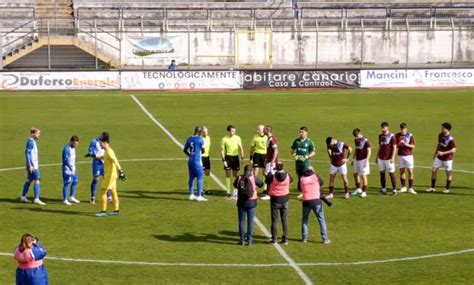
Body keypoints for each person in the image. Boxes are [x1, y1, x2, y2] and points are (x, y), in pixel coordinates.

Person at [95, 135, 126, 217]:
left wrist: (121, 170)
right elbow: (105, 157)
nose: (100, 144)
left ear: (105, 143)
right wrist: (97, 157)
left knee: (103, 191)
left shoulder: (109, 151)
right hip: (112, 176)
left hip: (110, 176)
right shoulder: (107, 151)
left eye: (101, 143)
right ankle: (116, 210)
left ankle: (103, 211)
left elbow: (114, 160)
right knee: (113, 192)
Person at [234, 165, 264, 246]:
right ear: (251, 171)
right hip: (252, 202)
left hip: (241, 202)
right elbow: (261, 184)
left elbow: (235, 185)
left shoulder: (240, 177)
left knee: (241, 221)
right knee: (250, 221)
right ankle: (250, 240)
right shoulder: (253, 178)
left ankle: (242, 239)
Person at [300, 166, 330, 244]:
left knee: (305, 219)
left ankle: (304, 238)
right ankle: (325, 238)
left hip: (306, 201)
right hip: (316, 201)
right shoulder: (316, 176)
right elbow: (322, 183)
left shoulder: (302, 178)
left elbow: (299, 188)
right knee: (321, 219)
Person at [266, 161, 292, 245]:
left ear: (276, 167)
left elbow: (267, 180)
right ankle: (285, 238)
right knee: (284, 220)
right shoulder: (287, 175)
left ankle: (274, 239)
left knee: (274, 220)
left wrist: (270, 171)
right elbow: (291, 179)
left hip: (275, 200)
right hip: (285, 199)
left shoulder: (273, 176)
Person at [426, 122, 457, 194]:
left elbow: (454, 150)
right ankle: (432, 187)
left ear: (447, 129)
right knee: (433, 170)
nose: (441, 129)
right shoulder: (440, 135)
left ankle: (447, 188)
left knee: (448, 173)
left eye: (443, 128)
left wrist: (443, 153)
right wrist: (435, 153)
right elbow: (439, 144)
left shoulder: (451, 139)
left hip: (447, 159)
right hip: (439, 157)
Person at [21, 128, 45, 205]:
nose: (39, 135)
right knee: (37, 180)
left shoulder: (32, 141)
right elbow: (27, 153)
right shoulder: (31, 142)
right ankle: (36, 199)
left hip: (33, 165)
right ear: (32, 134)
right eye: (37, 133)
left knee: (29, 180)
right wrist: (30, 165)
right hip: (33, 166)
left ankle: (23, 197)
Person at [85, 132, 111, 205]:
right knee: (96, 179)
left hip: (105, 162)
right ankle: (92, 197)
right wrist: (92, 154)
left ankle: (109, 197)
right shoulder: (94, 142)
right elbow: (90, 152)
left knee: (107, 179)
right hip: (97, 162)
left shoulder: (106, 141)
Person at [183, 126, 207, 202]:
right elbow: (203, 151)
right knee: (200, 177)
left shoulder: (189, 138)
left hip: (190, 160)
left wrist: (190, 155)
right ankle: (199, 196)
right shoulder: (200, 140)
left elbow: (185, 150)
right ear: (199, 132)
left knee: (191, 177)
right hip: (197, 161)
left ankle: (191, 194)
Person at [290, 127, 316, 197]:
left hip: (305, 163)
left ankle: (306, 191)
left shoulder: (309, 142)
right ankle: (302, 191)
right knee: (299, 177)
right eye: (300, 132)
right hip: (298, 163)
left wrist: (307, 157)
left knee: (306, 177)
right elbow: (292, 149)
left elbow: (313, 152)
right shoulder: (297, 141)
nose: (300, 133)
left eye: (302, 132)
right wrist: (295, 155)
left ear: (306, 133)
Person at [221, 125, 244, 199]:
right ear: (228, 131)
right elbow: (222, 150)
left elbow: (241, 148)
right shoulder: (224, 139)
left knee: (235, 174)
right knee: (228, 174)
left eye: (234, 131)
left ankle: (235, 190)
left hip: (235, 158)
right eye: (232, 131)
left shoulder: (238, 138)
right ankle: (228, 190)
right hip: (228, 158)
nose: (234, 132)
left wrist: (242, 158)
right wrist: (224, 160)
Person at [375, 122, 398, 195]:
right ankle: (383, 189)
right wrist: (377, 156)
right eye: (382, 127)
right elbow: (380, 146)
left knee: (391, 173)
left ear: (387, 127)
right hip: (381, 158)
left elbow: (394, 147)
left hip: (388, 158)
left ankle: (394, 190)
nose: (383, 129)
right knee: (382, 173)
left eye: (384, 127)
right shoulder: (380, 136)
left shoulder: (392, 136)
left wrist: (393, 157)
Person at [395, 123, 417, 194]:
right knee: (402, 171)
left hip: (408, 155)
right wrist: (399, 144)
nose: (403, 130)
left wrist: (406, 144)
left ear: (406, 129)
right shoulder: (397, 135)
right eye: (401, 129)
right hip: (400, 155)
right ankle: (403, 187)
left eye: (404, 129)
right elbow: (395, 146)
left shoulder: (409, 135)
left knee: (410, 171)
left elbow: (413, 146)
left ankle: (410, 188)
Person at [249, 124, 269, 200]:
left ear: (263, 130)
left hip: (264, 155)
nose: (257, 130)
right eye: (257, 129)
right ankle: (254, 188)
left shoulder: (267, 137)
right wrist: (251, 157)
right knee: (255, 172)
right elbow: (252, 148)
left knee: (264, 172)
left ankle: (265, 188)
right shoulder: (255, 137)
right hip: (257, 155)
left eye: (259, 129)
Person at [351, 128, 371, 198]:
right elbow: (356, 149)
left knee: (363, 176)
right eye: (355, 136)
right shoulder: (356, 139)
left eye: (357, 135)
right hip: (357, 159)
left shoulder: (365, 140)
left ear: (360, 133)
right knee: (355, 174)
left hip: (363, 160)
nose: (356, 137)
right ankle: (358, 189)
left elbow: (369, 150)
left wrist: (366, 160)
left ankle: (364, 192)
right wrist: (353, 159)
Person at [62, 135, 80, 205]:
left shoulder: (73, 148)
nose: (76, 145)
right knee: (67, 183)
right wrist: (71, 169)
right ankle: (65, 199)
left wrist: (73, 168)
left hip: (73, 168)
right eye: (75, 144)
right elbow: (66, 161)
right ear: (71, 141)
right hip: (67, 169)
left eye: (77, 144)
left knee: (75, 181)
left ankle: (72, 197)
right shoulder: (66, 149)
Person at [201, 126, 212, 194]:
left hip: (207, 157)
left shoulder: (208, 138)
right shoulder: (200, 139)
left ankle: (207, 189)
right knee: (201, 174)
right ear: (202, 132)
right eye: (204, 132)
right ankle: (201, 189)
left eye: (207, 131)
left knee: (207, 173)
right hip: (201, 157)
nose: (206, 133)